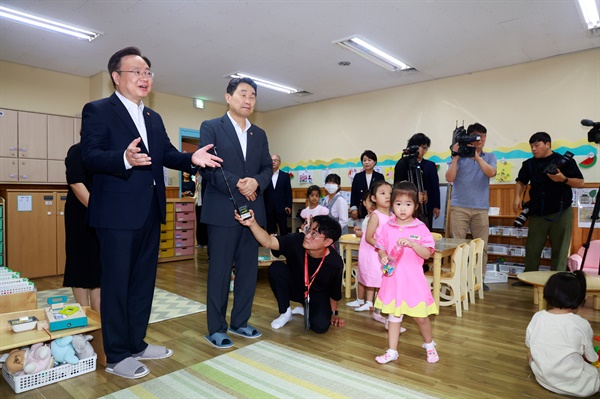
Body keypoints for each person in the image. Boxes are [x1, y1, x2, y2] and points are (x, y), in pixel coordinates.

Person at [81, 46, 221, 379]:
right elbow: (90, 155)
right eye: (137, 71)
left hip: (149, 211)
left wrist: (192, 160)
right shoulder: (98, 110)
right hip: (116, 214)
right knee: (117, 284)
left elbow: (169, 154)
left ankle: (135, 343)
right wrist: (124, 158)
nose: (144, 78)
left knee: (143, 283)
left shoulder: (152, 118)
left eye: (148, 72)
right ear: (117, 77)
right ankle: (115, 355)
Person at [199, 77, 272, 349]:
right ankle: (216, 328)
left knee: (248, 271)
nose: (248, 100)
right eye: (243, 94)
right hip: (222, 211)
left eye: (252, 95)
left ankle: (240, 321)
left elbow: (266, 168)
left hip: (252, 213)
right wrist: (241, 185)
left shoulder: (259, 134)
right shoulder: (211, 127)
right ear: (228, 97)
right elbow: (209, 165)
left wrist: (257, 182)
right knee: (219, 272)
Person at [236, 212, 345, 333]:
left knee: (320, 327)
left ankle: (307, 309)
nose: (307, 236)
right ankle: (285, 312)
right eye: (309, 230)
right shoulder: (296, 240)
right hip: (295, 287)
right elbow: (268, 242)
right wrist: (252, 224)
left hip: (316, 295)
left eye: (314, 234)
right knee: (276, 267)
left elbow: (334, 291)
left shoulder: (335, 262)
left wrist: (334, 313)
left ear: (327, 242)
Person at [374, 181, 439, 364]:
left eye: (408, 204)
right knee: (394, 317)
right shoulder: (388, 227)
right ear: (392, 204)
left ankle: (430, 344)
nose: (403, 209)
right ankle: (392, 350)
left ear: (416, 206)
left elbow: (427, 253)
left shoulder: (420, 228)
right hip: (393, 281)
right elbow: (380, 248)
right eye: (398, 204)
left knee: (421, 317)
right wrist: (384, 256)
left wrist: (413, 244)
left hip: (413, 281)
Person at [513, 132, 584, 281]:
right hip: (537, 212)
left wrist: (562, 179)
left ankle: (557, 281)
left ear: (548, 144)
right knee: (532, 249)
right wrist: (517, 197)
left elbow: (580, 182)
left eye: (537, 145)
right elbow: (520, 181)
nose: (533, 149)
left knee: (560, 250)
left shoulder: (563, 161)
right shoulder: (529, 164)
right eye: (531, 146)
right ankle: (528, 280)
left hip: (561, 211)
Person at [525, 270, 599, 397]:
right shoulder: (582, 324)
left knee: (530, 355)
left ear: (547, 294)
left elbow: (529, 343)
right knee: (594, 373)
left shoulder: (537, 317)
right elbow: (592, 357)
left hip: (544, 378)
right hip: (578, 385)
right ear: (582, 299)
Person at [445, 123, 496, 291]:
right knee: (457, 245)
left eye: (483, 136)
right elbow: (449, 177)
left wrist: (477, 158)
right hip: (459, 207)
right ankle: (458, 278)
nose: (479, 139)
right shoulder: (460, 157)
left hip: (481, 208)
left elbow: (491, 173)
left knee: (481, 246)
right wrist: (456, 156)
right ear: (469, 138)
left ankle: (478, 280)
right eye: (475, 136)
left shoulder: (489, 157)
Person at [63, 139, 101, 313]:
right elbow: (76, 182)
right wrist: (97, 209)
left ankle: (98, 318)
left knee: (98, 266)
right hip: (81, 214)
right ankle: (83, 313)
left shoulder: (105, 153)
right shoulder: (77, 150)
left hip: (103, 216)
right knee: (79, 263)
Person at [351, 181, 392, 318]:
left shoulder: (393, 215)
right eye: (383, 193)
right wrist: (383, 247)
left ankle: (379, 308)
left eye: (390, 193)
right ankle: (377, 309)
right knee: (378, 279)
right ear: (374, 198)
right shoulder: (375, 215)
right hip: (374, 253)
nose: (388, 196)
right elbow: (369, 237)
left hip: (385, 254)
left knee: (385, 280)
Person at [394, 133, 440, 230]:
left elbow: (434, 187)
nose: (424, 151)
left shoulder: (430, 165)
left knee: (425, 231)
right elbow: (398, 186)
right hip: (406, 207)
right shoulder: (402, 163)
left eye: (426, 148)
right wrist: (414, 195)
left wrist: (436, 205)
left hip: (426, 207)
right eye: (422, 147)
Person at [350, 150, 385, 220]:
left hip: (376, 209)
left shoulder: (379, 176)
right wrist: (353, 208)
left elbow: (382, 193)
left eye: (369, 160)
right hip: (361, 209)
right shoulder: (357, 176)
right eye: (364, 160)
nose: (366, 162)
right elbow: (354, 193)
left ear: (375, 162)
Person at [264, 154, 292, 235]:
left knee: (283, 229)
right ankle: (272, 247)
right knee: (270, 229)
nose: (273, 162)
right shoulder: (265, 176)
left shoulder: (285, 176)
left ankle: (284, 246)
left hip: (282, 207)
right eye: (271, 160)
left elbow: (288, 192)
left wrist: (289, 205)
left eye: (275, 160)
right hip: (268, 207)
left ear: (279, 162)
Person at [194, 172, 209, 248]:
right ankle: (200, 241)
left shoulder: (205, 179)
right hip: (198, 203)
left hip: (205, 204)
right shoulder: (198, 182)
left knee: (205, 224)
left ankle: (205, 242)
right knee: (199, 223)